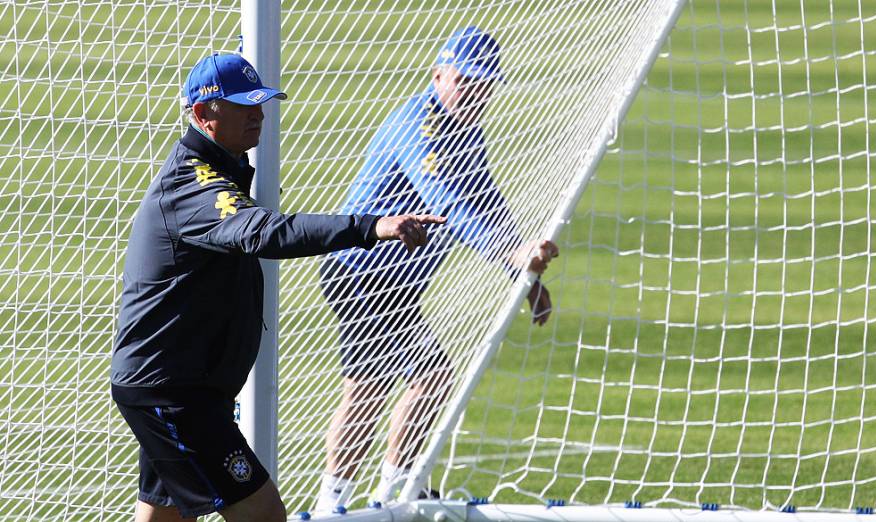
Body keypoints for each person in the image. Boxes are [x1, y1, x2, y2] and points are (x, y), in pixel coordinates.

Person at [110, 52, 445, 522]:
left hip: (180, 385)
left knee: (165, 514)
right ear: (205, 116)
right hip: (174, 391)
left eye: (261, 103)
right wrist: (371, 228)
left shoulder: (221, 171)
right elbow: (265, 233)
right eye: (244, 106)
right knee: (265, 514)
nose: (259, 115)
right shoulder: (194, 182)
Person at [315, 27, 558, 512]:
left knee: (427, 378)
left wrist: (524, 277)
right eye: (466, 81)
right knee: (375, 387)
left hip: (398, 281)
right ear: (439, 74)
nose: (476, 93)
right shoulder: (420, 125)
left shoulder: (464, 128)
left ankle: (394, 489)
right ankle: (336, 503)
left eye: (486, 84)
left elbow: (485, 198)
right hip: (361, 273)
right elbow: (449, 204)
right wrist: (512, 257)